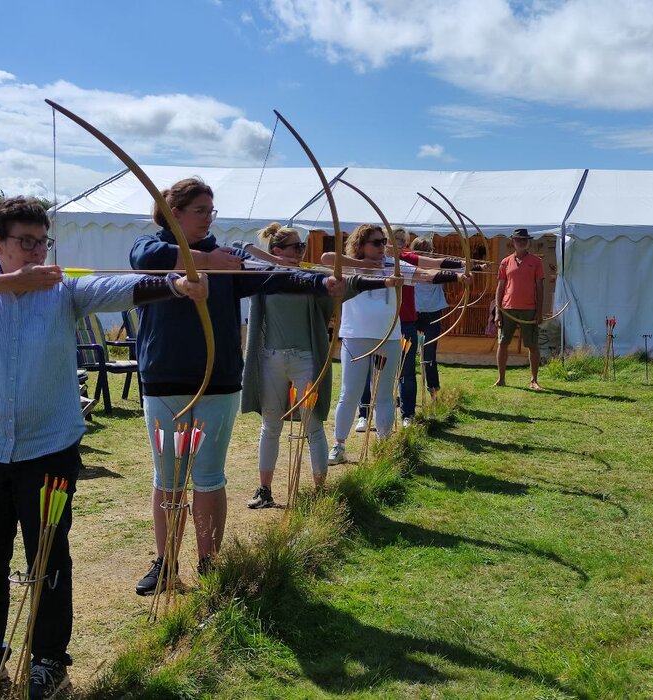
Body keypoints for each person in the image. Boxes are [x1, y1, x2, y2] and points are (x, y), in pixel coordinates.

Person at [0, 196, 208, 700]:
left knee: (49, 557)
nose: (38, 252)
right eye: (26, 243)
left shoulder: (62, 291)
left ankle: (49, 660)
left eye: (43, 242)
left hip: (49, 449)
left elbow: (112, 287)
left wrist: (173, 284)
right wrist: (10, 282)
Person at [130, 178, 344, 593]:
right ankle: (165, 562)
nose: (209, 217)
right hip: (164, 379)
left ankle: (210, 563)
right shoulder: (150, 246)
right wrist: (207, 260)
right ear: (174, 212)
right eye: (200, 210)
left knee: (208, 475)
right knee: (168, 478)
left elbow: (273, 278)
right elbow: (147, 257)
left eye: (212, 210)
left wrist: (319, 282)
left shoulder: (226, 259)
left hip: (218, 380)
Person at [241, 223, 396, 508]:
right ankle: (265, 490)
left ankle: (320, 494)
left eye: (302, 246)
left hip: (305, 359)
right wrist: (277, 264)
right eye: (296, 247)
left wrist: (384, 281)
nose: (302, 251)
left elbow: (348, 284)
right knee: (270, 425)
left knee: (312, 425)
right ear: (277, 250)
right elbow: (242, 249)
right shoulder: (262, 276)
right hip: (271, 359)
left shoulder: (311, 278)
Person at [325, 224, 469, 465]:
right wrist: (365, 266)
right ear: (361, 245)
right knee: (349, 393)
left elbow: (426, 274)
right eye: (376, 242)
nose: (383, 246)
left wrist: (458, 275)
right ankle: (339, 445)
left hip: (389, 338)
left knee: (384, 394)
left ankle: (385, 445)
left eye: (384, 242)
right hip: (356, 337)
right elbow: (326, 257)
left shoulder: (394, 266)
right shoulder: (349, 265)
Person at [494, 227, 544, 389]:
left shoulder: (536, 262)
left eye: (524, 240)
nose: (521, 242)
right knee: (503, 343)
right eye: (518, 240)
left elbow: (540, 287)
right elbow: (500, 287)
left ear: (528, 241)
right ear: (513, 242)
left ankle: (534, 380)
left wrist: (539, 311)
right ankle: (501, 379)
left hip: (529, 309)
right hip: (507, 309)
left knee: (532, 345)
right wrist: (497, 311)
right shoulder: (505, 262)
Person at [411, 236, 449, 400]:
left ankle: (433, 392)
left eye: (429, 251)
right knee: (407, 354)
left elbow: (455, 273)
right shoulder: (409, 269)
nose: (428, 254)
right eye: (424, 251)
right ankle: (404, 395)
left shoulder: (438, 269)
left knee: (429, 355)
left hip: (432, 314)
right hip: (412, 313)